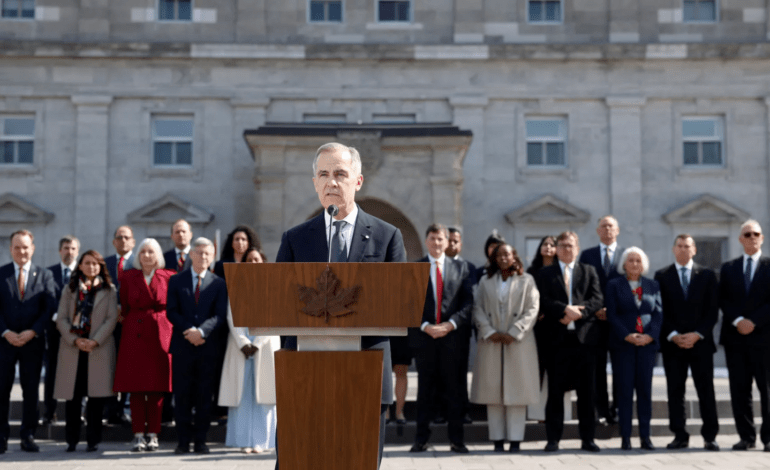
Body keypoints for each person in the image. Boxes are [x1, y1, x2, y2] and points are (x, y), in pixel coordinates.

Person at [275, 142, 406, 469]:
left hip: (365, 370)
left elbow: (401, 302)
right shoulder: (295, 238)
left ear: (357, 181)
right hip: (305, 372)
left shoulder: (387, 236)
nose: (331, 182)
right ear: (315, 182)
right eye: (323, 174)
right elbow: (277, 301)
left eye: (340, 174)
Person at [410, 223, 474, 454]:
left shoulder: (462, 268)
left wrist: (450, 324)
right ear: (426, 241)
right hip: (425, 339)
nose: (437, 243)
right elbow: (410, 303)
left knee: (454, 390)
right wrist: (425, 326)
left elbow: (468, 302)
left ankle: (457, 441)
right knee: (425, 391)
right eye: (433, 238)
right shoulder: (415, 268)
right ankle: (421, 440)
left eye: (441, 239)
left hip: (452, 338)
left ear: (448, 242)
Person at [536, 231, 602, 453]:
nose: (566, 249)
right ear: (556, 248)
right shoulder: (545, 274)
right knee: (555, 393)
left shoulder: (589, 271)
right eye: (562, 245)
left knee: (587, 393)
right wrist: (563, 310)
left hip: (584, 341)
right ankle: (553, 439)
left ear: (577, 247)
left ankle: (588, 439)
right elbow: (542, 300)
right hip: (557, 341)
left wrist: (578, 314)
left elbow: (597, 299)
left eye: (570, 245)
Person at [470, 244, 540, 453]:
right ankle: (498, 439)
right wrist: (489, 331)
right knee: (493, 393)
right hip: (492, 341)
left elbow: (532, 308)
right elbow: (478, 307)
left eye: (506, 254)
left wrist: (515, 331)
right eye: (499, 255)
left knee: (516, 393)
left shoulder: (527, 281)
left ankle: (516, 439)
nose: (503, 258)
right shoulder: (485, 281)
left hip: (518, 342)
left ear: (514, 257)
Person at [654, 234, 720, 451]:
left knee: (706, 391)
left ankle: (710, 436)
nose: (683, 249)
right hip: (674, 345)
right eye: (679, 246)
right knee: (675, 391)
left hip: (700, 343)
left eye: (687, 246)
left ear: (694, 250)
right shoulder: (662, 275)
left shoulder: (708, 275)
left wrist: (697, 334)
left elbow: (712, 311)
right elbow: (659, 310)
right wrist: (673, 334)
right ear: (674, 249)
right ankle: (679, 435)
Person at [166, 237, 228, 455]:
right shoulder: (176, 280)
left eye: (207, 254)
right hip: (183, 347)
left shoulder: (219, 283)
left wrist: (201, 332)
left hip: (207, 347)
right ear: (191, 254)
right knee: (182, 396)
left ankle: (200, 441)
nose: (203, 257)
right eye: (199, 253)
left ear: (212, 257)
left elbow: (220, 315)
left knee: (204, 396)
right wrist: (190, 331)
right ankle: (183, 441)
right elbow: (171, 311)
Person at [113, 238, 175, 452]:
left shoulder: (169, 276)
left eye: (151, 252)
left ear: (158, 255)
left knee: (157, 389)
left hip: (160, 335)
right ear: (138, 256)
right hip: (134, 335)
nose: (147, 256)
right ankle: (138, 434)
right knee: (136, 389)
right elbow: (124, 305)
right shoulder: (128, 277)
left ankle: (153, 434)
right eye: (143, 252)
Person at [53, 250, 118, 452]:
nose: (91, 267)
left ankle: (93, 440)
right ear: (80, 266)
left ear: (101, 267)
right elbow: (61, 318)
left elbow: (111, 319)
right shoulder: (70, 289)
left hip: (98, 348)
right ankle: (71, 440)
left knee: (96, 398)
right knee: (73, 397)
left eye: (95, 264)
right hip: (73, 348)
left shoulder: (109, 290)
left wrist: (95, 340)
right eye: (87, 263)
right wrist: (75, 339)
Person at [0, 230, 57, 454]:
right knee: (2, 390)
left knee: (31, 390)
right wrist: (5, 332)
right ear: (10, 249)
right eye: (17, 247)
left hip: (32, 343)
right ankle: (1, 437)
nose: (22, 251)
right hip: (4, 343)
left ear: (32, 248)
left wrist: (32, 331)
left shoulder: (45, 275)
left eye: (25, 247)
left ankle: (28, 435)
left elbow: (49, 308)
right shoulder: (1, 274)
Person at [219, 245, 279, 454]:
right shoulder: (237, 285)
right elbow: (231, 315)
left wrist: (257, 343)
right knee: (243, 395)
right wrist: (243, 342)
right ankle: (243, 440)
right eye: (249, 260)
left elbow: (274, 317)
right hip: (241, 347)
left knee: (265, 395)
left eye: (256, 260)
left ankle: (263, 442)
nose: (253, 263)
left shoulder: (273, 286)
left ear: (263, 262)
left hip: (264, 345)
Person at [719, 219, 770, 452]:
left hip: (764, 338)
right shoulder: (729, 268)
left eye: (756, 234)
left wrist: (754, 321)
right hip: (736, 338)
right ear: (740, 239)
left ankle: (768, 439)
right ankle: (746, 437)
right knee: (740, 390)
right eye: (747, 234)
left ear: (762, 238)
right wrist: (739, 320)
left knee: (767, 390)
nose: (752, 238)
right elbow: (723, 300)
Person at [606, 247, 662, 451]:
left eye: (638, 260)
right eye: (630, 260)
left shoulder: (652, 285)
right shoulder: (614, 285)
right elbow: (612, 314)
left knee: (645, 392)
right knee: (625, 392)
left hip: (647, 346)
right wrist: (627, 335)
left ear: (643, 264)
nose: (635, 264)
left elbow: (658, 314)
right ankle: (626, 437)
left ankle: (645, 437)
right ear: (624, 264)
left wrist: (650, 336)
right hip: (624, 346)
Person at [578, 215, 625, 425]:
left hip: (619, 321)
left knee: (619, 366)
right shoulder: (587, 255)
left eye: (611, 226)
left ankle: (617, 409)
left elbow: (631, 287)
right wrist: (595, 309)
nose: (607, 229)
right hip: (594, 321)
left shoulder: (627, 255)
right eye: (603, 226)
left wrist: (613, 310)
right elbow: (582, 286)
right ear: (597, 231)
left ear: (618, 230)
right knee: (597, 368)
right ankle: (601, 409)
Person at [42, 235, 80, 426]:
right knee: (52, 373)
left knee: (77, 374)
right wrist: (60, 320)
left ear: (77, 251)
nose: (69, 252)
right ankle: (50, 412)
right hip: (55, 332)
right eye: (66, 248)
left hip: (76, 332)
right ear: (60, 251)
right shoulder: (48, 273)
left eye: (73, 248)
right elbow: (48, 300)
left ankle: (77, 414)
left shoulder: (83, 273)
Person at [103, 225, 135, 426]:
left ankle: (123, 407)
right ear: (114, 242)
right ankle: (109, 409)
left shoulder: (139, 263)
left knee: (127, 367)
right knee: (108, 367)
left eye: (126, 237)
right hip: (108, 325)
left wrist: (126, 312)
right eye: (119, 237)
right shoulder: (104, 264)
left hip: (130, 324)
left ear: (133, 241)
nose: (123, 241)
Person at [525, 235, 558, 421]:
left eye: (552, 245)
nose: (548, 248)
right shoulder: (532, 271)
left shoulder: (560, 270)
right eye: (544, 244)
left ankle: (550, 413)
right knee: (536, 368)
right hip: (535, 326)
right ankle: (533, 410)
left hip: (554, 324)